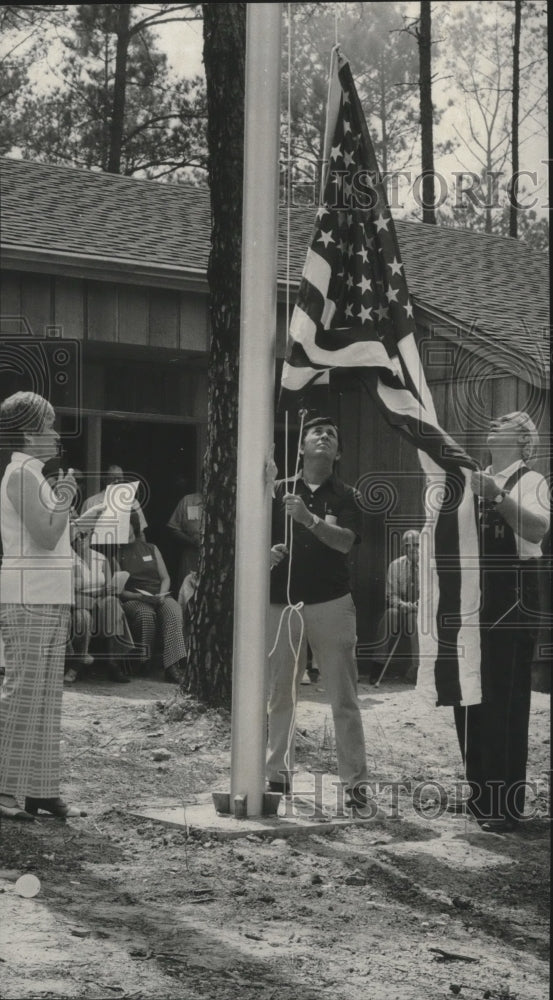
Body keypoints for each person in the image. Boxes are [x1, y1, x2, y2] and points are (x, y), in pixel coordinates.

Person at [0, 391, 103, 821]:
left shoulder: (34, 475)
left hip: (47, 593)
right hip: (29, 596)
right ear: (29, 432)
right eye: (49, 426)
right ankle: (4, 788)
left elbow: (52, 536)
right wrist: (64, 497)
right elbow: (43, 536)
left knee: (45, 697)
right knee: (24, 692)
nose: (55, 434)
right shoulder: (22, 474)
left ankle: (39, 788)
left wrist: (76, 518)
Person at [454, 411, 549, 833]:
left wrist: (496, 496)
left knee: (505, 700)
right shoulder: (471, 479)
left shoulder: (531, 481)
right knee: (468, 694)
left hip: (510, 599)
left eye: (506, 422)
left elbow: (537, 531)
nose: (493, 423)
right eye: (491, 421)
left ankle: (505, 805)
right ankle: (479, 796)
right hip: (470, 600)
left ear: (525, 442)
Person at [268, 416, 369, 810]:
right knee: (281, 693)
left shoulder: (347, 495)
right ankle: (277, 775)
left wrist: (308, 520)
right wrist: (266, 554)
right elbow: (251, 536)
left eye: (332, 435)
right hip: (282, 604)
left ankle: (355, 782)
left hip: (331, 603)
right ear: (301, 447)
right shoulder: (277, 490)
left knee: (343, 696)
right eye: (316, 433)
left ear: (338, 453)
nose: (324, 437)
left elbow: (346, 543)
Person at [117, 511, 187, 683]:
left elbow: (165, 578)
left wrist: (162, 595)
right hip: (134, 598)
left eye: (128, 525)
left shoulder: (151, 548)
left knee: (174, 611)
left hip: (158, 595)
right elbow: (119, 590)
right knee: (145, 615)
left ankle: (172, 665)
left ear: (134, 526)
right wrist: (139, 596)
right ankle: (143, 661)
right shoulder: (116, 553)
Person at [66, 523, 134, 684]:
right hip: (79, 604)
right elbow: (71, 593)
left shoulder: (101, 558)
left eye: (84, 535)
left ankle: (112, 663)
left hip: (101, 603)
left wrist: (109, 589)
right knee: (83, 616)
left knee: (112, 603)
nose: (80, 540)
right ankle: (77, 664)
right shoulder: (69, 560)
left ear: (91, 536)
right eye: (76, 537)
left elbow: (109, 588)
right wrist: (98, 593)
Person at [371, 530, 420, 683]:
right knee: (390, 614)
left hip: (421, 613)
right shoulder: (395, 566)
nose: (413, 548)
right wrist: (403, 604)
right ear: (403, 549)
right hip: (401, 610)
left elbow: (432, 593)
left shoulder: (429, 566)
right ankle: (377, 666)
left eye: (417, 545)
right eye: (408, 545)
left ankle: (417, 669)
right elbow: (391, 594)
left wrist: (418, 605)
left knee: (414, 618)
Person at [82, 463, 147, 536]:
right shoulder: (91, 502)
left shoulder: (133, 503)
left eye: (119, 478)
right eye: (112, 478)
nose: (116, 481)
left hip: (126, 545)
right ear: (105, 479)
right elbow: (82, 532)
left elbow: (140, 532)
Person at [167, 489, 202, 589]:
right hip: (191, 556)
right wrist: (192, 541)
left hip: (215, 558)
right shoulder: (187, 500)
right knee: (188, 591)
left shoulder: (222, 501)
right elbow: (173, 529)